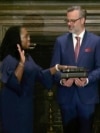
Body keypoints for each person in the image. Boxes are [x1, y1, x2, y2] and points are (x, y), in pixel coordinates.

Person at [0, 25, 67, 133]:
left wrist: (57, 68)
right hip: (13, 105)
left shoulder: (28, 57)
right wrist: (21, 63)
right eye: (26, 36)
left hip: (26, 104)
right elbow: (14, 82)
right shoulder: (8, 59)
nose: (29, 38)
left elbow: (40, 75)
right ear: (17, 39)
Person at [50, 5, 100, 133]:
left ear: (83, 20)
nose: (69, 23)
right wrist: (62, 80)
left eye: (73, 20)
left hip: (87, 97)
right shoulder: (60, 41)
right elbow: (54, 69)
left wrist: (87, 80)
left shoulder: (96, 41)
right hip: (66, 97)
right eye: (67, 20)